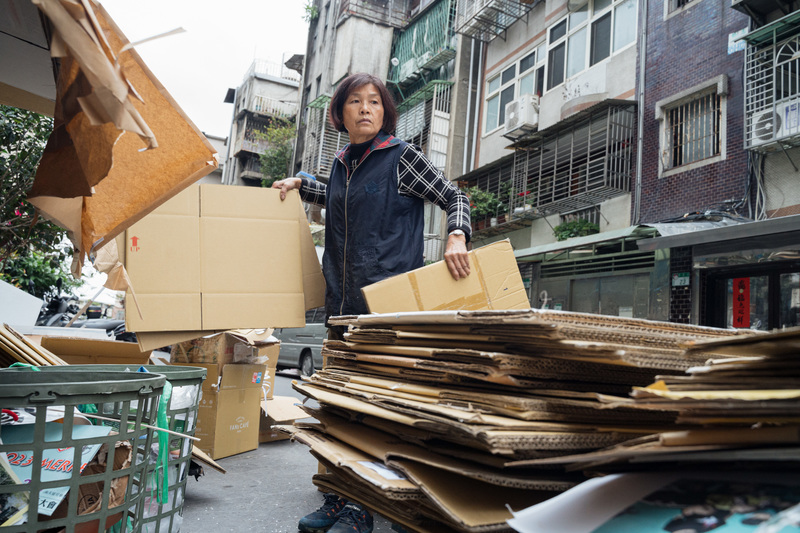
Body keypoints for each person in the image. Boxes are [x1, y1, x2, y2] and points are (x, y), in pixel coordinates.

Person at [272, 72, 472, 533]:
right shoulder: (343, 165)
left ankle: (364, 506)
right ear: (340, 113)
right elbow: (338, 199)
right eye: (356, 102)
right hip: (341, 310)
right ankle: (337, 496)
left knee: (373, 409)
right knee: (339, 408)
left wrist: (457, 234)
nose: (365, 109)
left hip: (386, 313)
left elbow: (453, 194)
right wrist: (300, 183)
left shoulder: (402, 158)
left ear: (385, 112)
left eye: (375, 102)